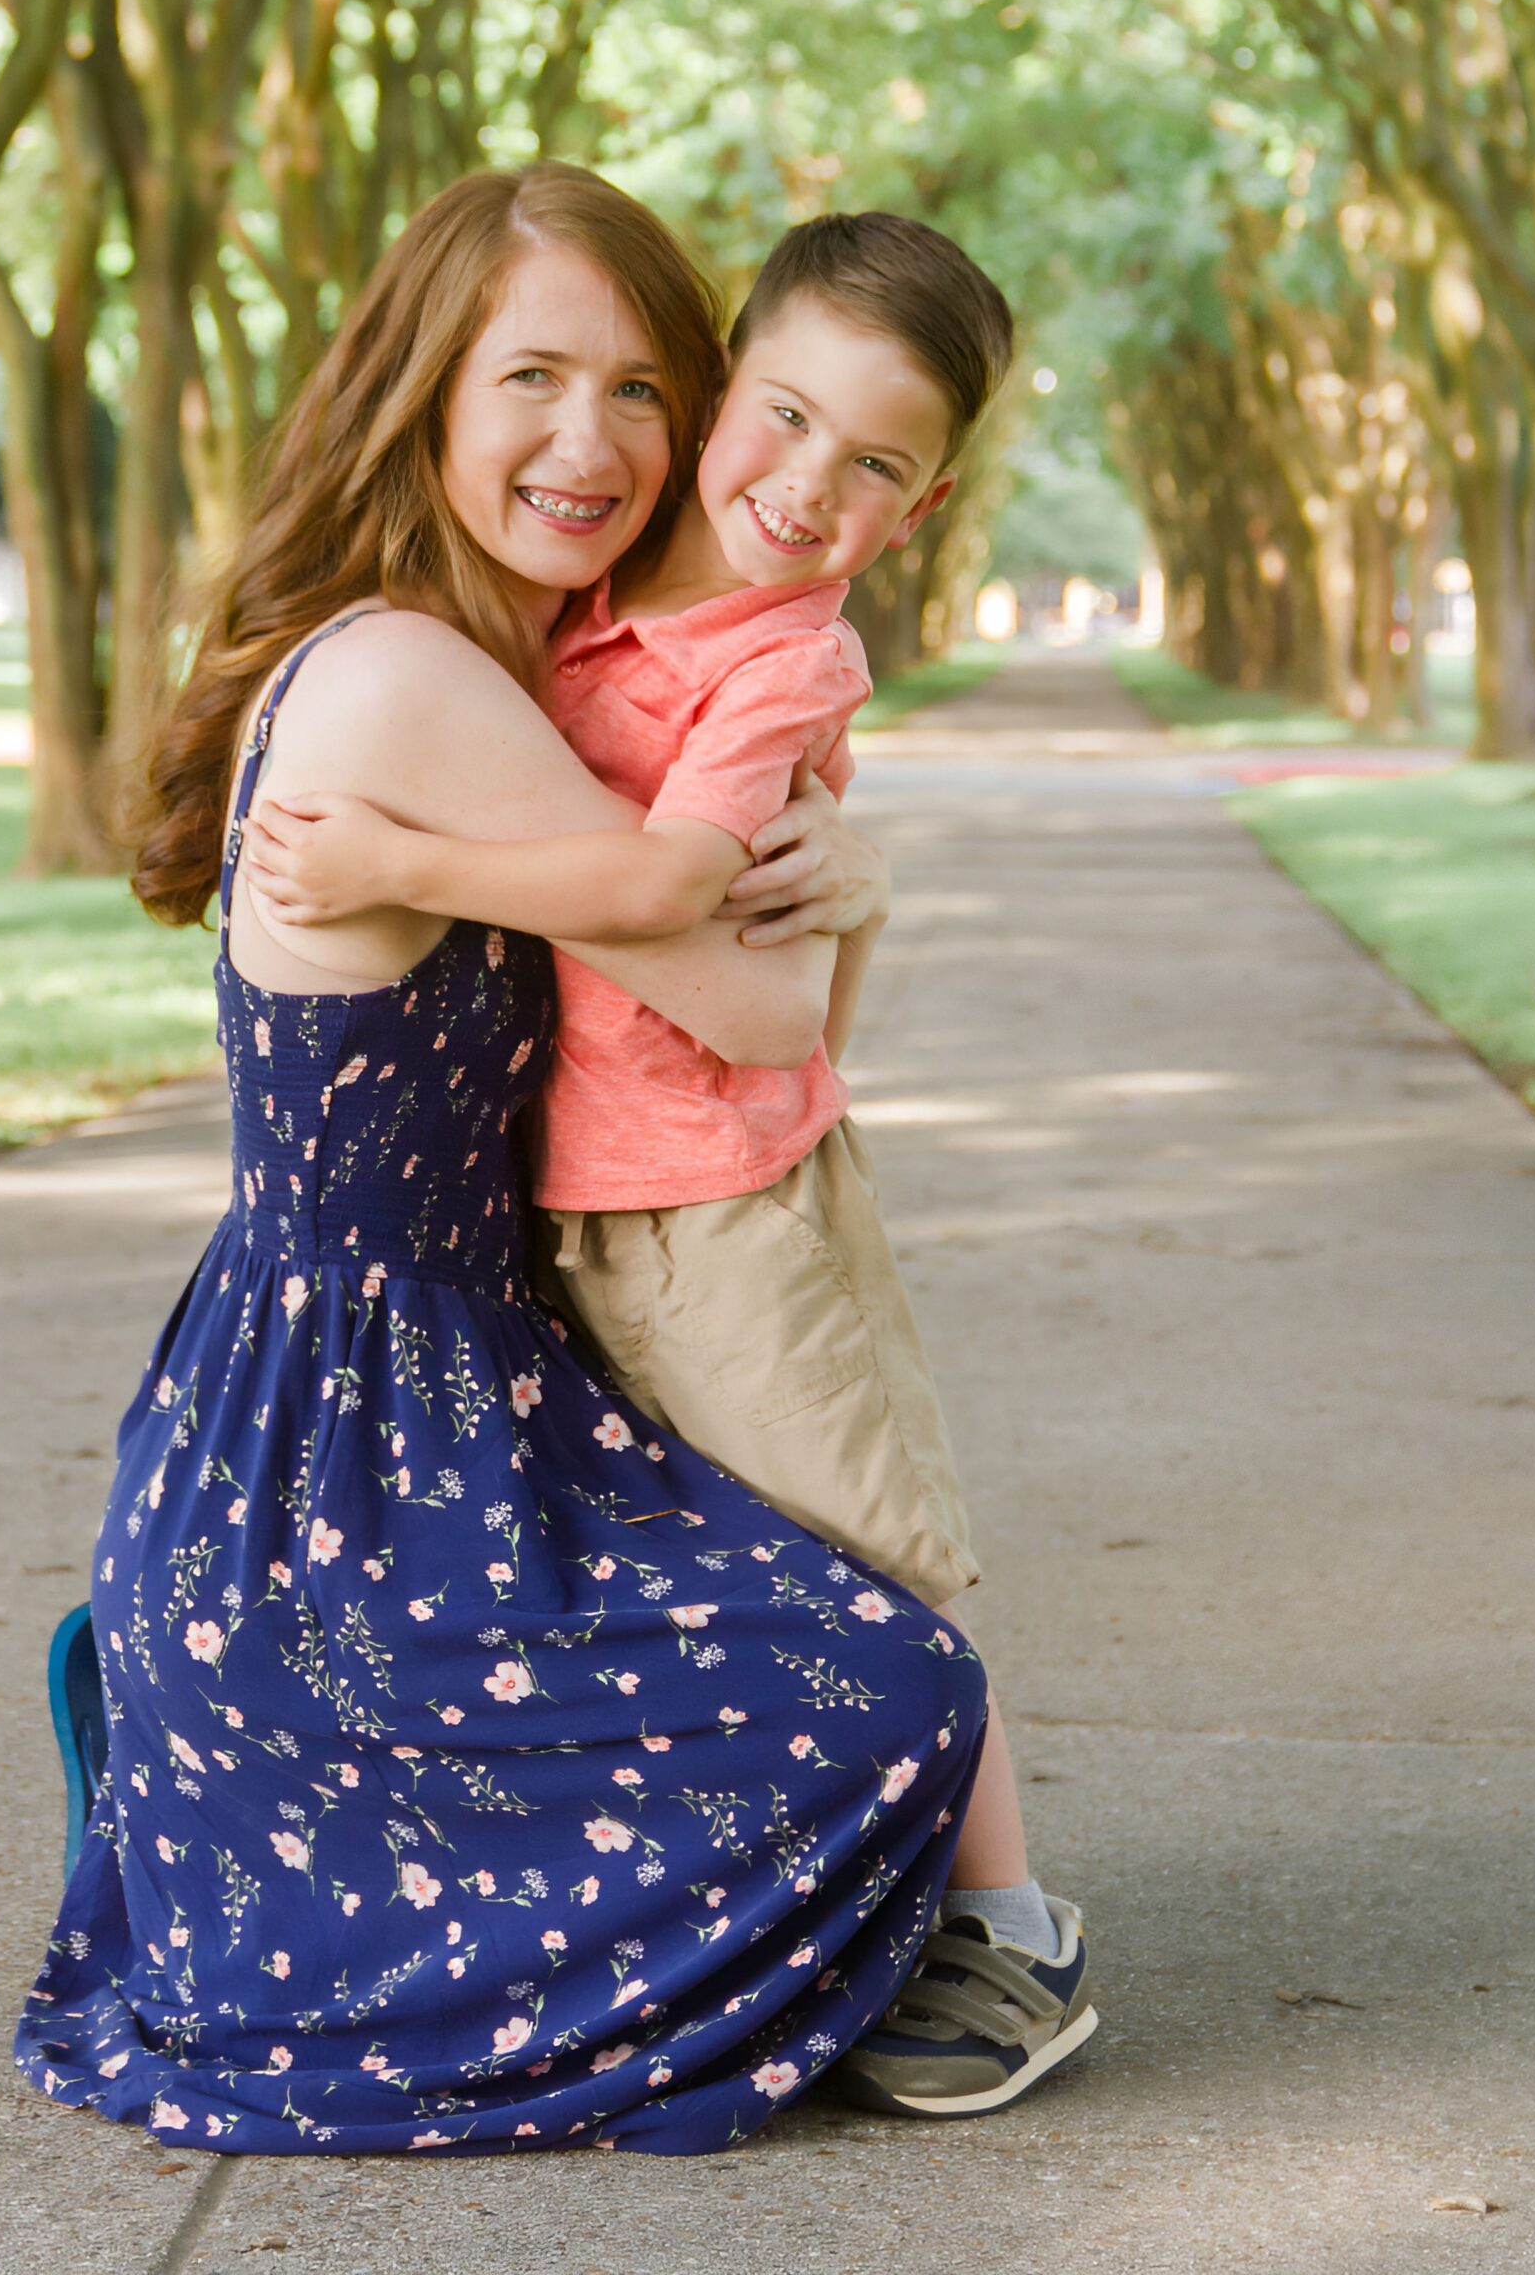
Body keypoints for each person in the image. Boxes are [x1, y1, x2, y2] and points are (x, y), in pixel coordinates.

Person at [11, 163, 990, 2158]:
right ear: (419, 392)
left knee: (854, 1643)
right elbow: (761, 1013)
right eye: (529, 374)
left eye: (643, 388)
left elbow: (725, 983)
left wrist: (843, 859)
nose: (592, 439)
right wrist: (850, 891)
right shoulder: (418, 684)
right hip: (362, 1475)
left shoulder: (520, 671)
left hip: (394, 1417)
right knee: (891, 1689)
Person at [242, 211, 1098, 2118]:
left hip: (720, 1199)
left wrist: (408, 862)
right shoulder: (580, 615)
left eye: (870, 465)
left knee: (854, 1555)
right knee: (707, 1577)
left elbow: (693, 924)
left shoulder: (780, 662)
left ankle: (1006, 1928)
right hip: (572, 1201)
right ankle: (820, 1908)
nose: (806, 484)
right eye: (776, 419)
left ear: (923, 497)